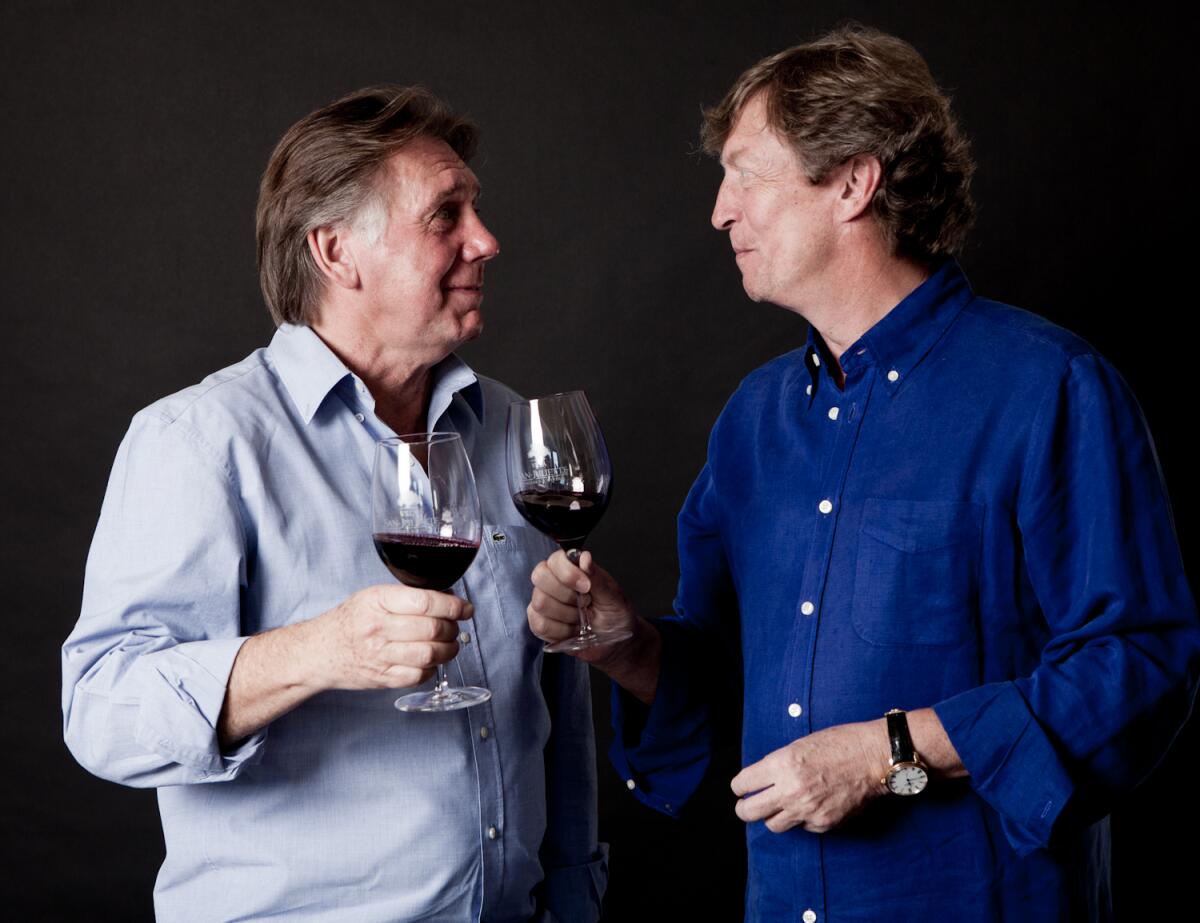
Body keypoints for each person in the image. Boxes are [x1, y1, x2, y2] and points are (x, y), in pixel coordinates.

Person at [526, 26, 1199, 922]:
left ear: (853, 179)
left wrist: (887, 755)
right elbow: (727, 682)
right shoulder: (753, 421)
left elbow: (1142, 663)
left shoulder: (1049, 389)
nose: (722, 211)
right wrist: (626, 646)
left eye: (748, 174)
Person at [62, 85, 606, 923]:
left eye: (477, 209)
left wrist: (575, 898)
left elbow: (557, 714)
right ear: (336, 251)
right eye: (445, 215)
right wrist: (320, 650)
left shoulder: (506, 427)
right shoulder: (199, 441)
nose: (486, 239)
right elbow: (103, 711)